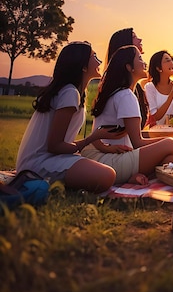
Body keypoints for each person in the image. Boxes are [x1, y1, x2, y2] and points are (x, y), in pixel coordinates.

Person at [81, 45, 173, 185]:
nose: (144, 63)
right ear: (129, 67)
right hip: (109, 158)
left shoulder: (121, 92)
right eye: (139, 59)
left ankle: (144, 176)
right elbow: (137, 142)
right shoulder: (125, 95)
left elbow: (132, 135)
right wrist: (169, 139)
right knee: (170, 144)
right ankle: (150, 178)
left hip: (114, 153)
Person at [16, 42, 117, 193]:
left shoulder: (72, 92)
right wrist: (92, 138)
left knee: (105, 170)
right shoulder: (69, 93)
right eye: (94, 56)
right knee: (107, 175)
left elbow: (60, 144)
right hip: (38, 164)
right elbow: (55, 146)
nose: (99, 61)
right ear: (83, 66)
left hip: (47, 159)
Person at [106, 27, 149, 126]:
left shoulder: (135, 88)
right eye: (134, 37)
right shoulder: (123, 94)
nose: (140, 39)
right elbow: (135, 139)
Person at [144, 50, 173, 125]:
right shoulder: (150, 87)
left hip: (170, 128)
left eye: (172, 60)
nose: (172, 63)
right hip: (155, 131)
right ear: (159, 68)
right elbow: (156, 116)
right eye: (167, 60)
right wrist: (172, 94)